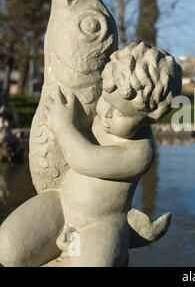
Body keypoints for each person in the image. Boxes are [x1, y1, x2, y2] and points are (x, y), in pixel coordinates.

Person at [0, 42, 181, 266]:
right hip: (61, 205)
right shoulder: (107, 116)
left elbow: (84, 159)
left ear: (152, 116)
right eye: (106, 100)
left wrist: (62, 124)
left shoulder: (140, 152)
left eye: (119, 113)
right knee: (8, 247)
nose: (105, 112)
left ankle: (78, 254)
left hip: (98, 224)